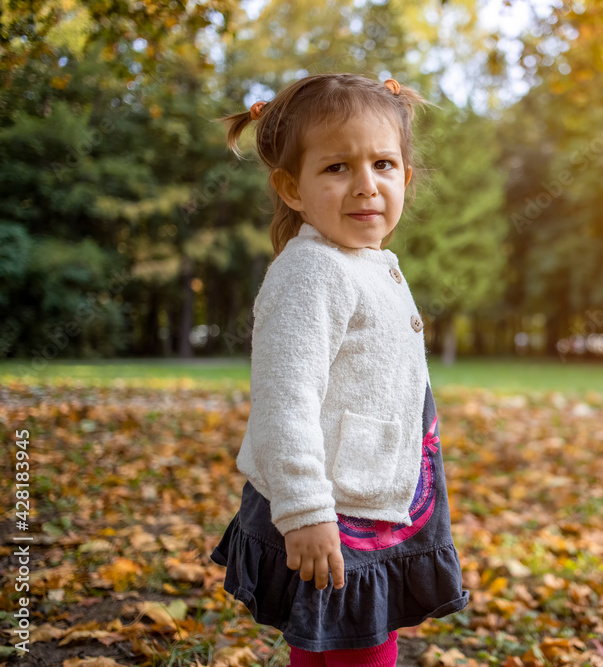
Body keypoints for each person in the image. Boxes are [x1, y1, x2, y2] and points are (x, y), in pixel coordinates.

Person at [210, 74, 468, 667]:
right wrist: (305, 511)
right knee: (359, 640)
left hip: (364, 494)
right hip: (332, 506)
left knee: (331, 639)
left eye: (383, 164)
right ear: (291, 188)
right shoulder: (312, 272)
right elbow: (284, 401)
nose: (366, 185)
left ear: (405, 177)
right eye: (336, 167)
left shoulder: (365, 263)